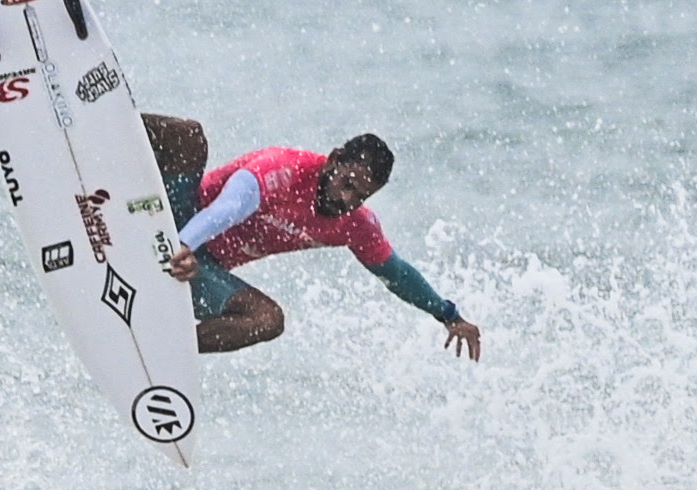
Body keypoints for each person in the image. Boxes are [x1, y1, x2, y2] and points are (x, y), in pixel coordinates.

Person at [138, 113, 482, 361]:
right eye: (347, 184)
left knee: (268, 320)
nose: (348, 199)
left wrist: (448, 315)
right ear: (333, 160)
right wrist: (184, 243)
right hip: (175, 215)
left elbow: (395, 273)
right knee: (189, 135)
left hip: (198, 267)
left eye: (360, 196)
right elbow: (231, 207)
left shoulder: (354, 225)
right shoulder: (283, 168)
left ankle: (157, 347)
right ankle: (90, 125)